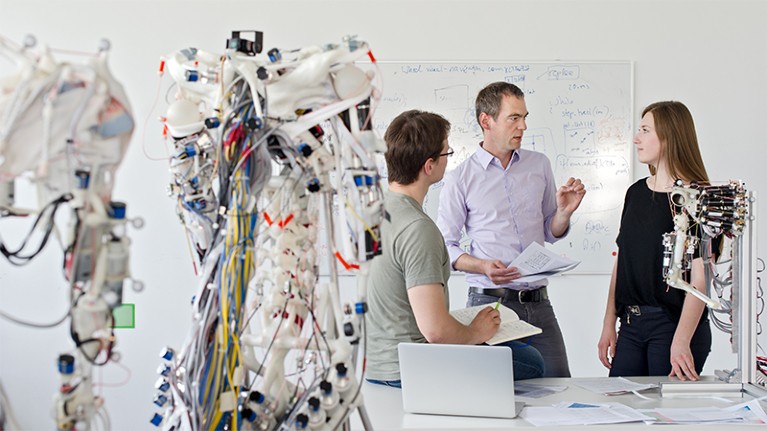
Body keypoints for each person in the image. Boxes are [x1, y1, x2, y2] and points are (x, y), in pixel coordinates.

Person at [365, 109, 545, 387]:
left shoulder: (375, 213)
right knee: (532, 360)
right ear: (429, 165)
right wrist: (476, 331)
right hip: (410, 367)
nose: (449, 161)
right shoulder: (418, 228)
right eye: (447, 154)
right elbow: (435, 331)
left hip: (376, 364)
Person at [437, 82, 586, 378]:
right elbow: (445, 246)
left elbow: (549, 230)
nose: (523, 126)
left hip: (538, 302)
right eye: (514, 118)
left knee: (558, 387)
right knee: (495, 391)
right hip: (489, 304)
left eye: (525, 117)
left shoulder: (539, 164)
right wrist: (481, 265)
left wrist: (564, 212)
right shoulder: (461, 178)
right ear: (486, 121)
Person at [598, 101, 715, 380]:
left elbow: (700, 281)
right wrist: (608, 323)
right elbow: (621, 263)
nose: (636, 138)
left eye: (645, 130)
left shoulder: (695, 198)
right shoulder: (635, 194)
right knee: (619, 409)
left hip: (673, 325)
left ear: (669, 137)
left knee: (662, 418)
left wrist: (681, 340)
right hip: (631, 324)